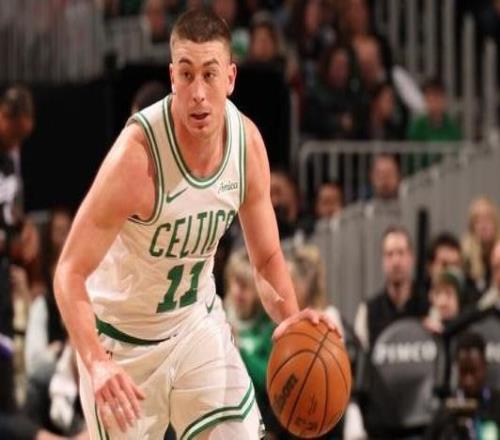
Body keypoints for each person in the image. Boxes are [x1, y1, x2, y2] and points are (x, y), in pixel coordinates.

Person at [54, 8, 336, 440]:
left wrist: (293, 321)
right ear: (172, 78)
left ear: (231, 78)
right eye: (186, 75)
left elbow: (266, 259)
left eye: (209, 74)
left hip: (194, 326)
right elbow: (69, 272)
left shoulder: (246, 145)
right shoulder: (136, 159)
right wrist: (94, 362)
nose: (199, 92)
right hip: (121, 345)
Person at [354, 225, 428, 349]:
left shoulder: (429, 306)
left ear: (411, 258)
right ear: (382, 261)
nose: (396, 261)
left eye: (401, 253)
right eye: (389, 254)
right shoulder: (367, 311)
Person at [427, 332, 500, 439]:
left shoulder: (497, 404)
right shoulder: (447, 410)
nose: (468, 380)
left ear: (484, 367)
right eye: (463, 372)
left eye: (473, 371)